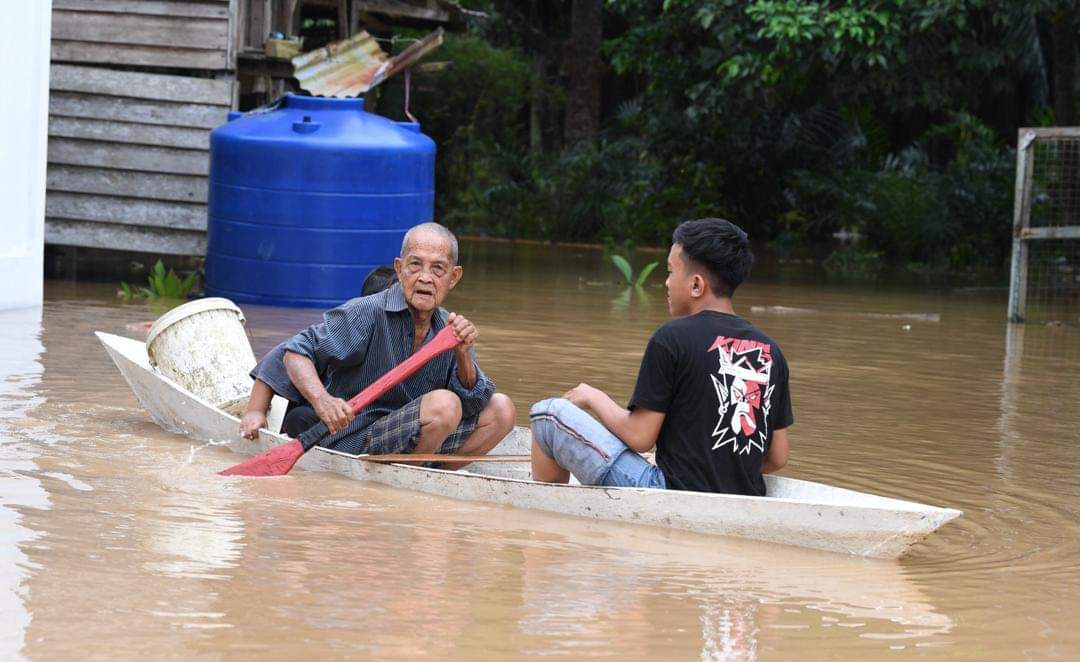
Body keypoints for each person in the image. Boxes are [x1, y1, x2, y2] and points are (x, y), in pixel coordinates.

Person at [529, 218, 792, 496]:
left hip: (670, 492)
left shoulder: (672, 338)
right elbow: (777, 457)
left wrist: (593, 396)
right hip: (746, 497)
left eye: (670, 272)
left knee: (547, 415)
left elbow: (640, 437)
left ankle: (548, 520)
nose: (666, 283)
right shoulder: (770, 350)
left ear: (696, 285)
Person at [247, 223, 516, 464]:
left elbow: (474, 404)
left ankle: (434, 471)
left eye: (438, 269)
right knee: (445, 405)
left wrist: (463, 354)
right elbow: (295, 352)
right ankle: (413, 472)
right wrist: (323, 402)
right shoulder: (368, 312)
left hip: (423, 435)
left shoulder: (451, 328)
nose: (425, 277)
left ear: (454, 277)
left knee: (502, 409)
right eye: (415, 265)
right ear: (399, 268)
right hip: (357, 435)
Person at [240, 264, 398, 440]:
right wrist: (255, 411)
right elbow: (280, 358)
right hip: (327, 416)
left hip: (367, 424)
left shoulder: (411, 337)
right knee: (298, 418)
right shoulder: (348, 329)